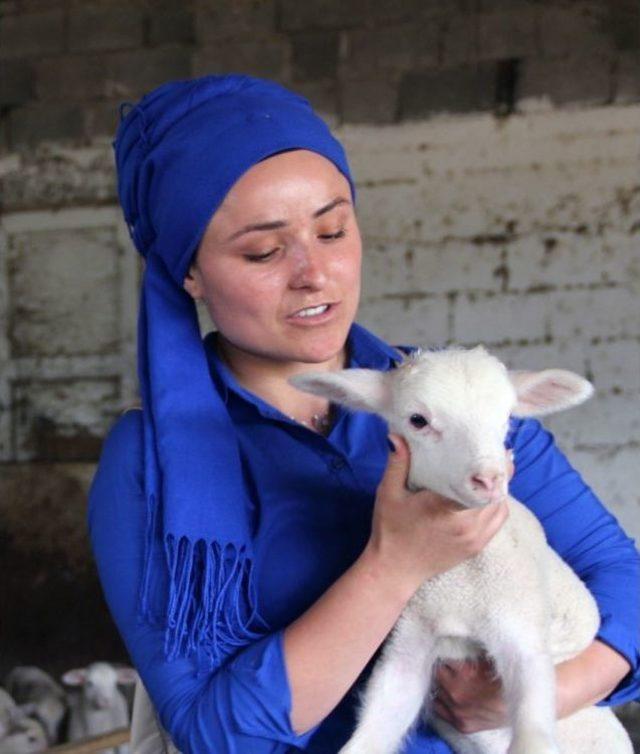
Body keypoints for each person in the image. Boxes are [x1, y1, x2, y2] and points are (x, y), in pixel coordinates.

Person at [88, 74, 640, 754]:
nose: (314, 272)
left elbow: (623, 580)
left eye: (333, 229)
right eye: (264, 250)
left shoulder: (455, 395)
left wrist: (533, 699)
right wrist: (393, 565)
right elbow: (217, 735)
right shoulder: (149, 462)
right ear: (189, 273)